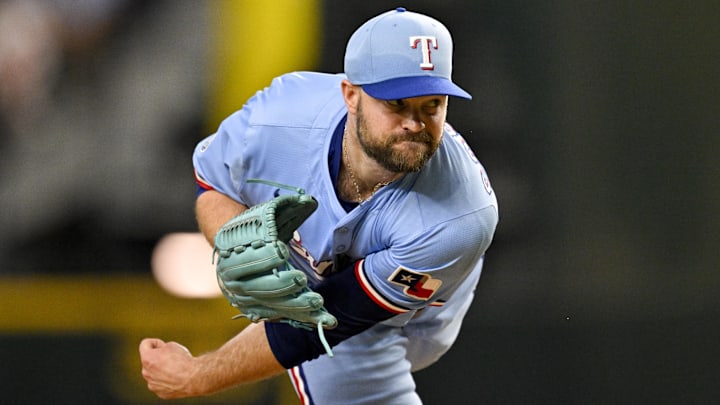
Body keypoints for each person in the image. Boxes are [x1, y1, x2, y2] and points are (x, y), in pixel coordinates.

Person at [140, 8, 498, 404]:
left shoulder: (459, 215)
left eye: (431, 105)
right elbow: (213, 182)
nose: (414, 123)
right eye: (396, 103)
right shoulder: (278, 120)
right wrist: (230, 238)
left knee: (338, 332)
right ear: (350, 95)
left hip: (418, 317)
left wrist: (197, 375)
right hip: (328, 280)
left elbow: (325, 322)